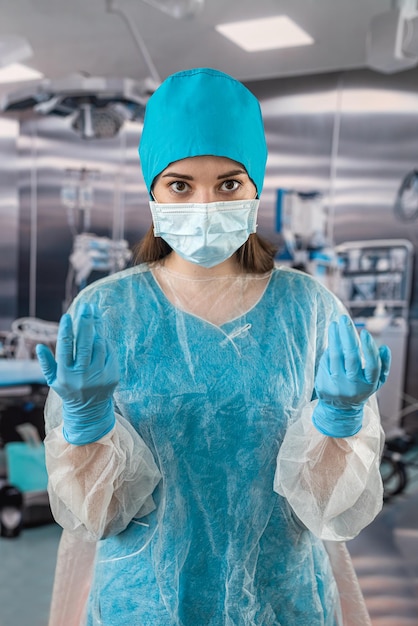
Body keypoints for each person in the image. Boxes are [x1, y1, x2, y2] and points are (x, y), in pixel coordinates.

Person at [36, 68, 391, 626]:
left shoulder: (309, 311)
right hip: (143, 604)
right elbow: (94, 516)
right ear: (153, 191)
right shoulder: (106, 312)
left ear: (255, 188)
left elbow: (328, 510)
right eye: (181, 185)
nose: (205, 203)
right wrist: (86, 426)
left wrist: (340, 422)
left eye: (228, 184)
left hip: (281, 599)